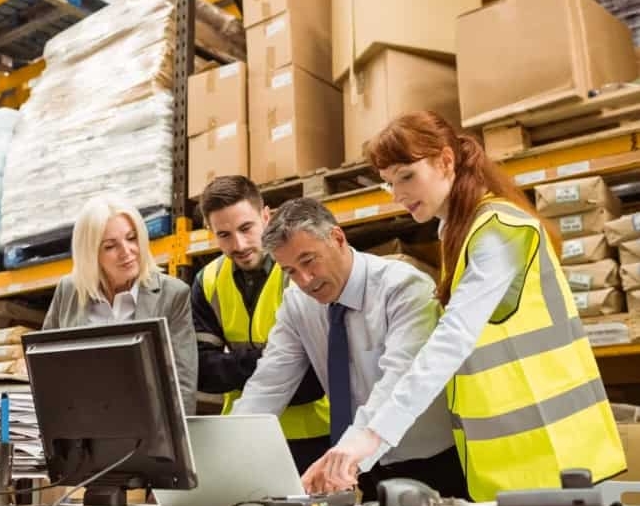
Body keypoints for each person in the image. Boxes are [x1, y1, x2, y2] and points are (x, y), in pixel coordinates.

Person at [317, 110, 625, 501]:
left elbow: (452, 341)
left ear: (446, 161)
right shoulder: (459, 233)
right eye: (389, 183)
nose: (398, 194)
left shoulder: (498, 232)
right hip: (512, 460)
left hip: (556, 455)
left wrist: (372, 438)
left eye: (407, 176)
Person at [231, 197, 468, 501]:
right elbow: (269, 382)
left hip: (427, 459)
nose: (304, 281)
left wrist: (347, 454)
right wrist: (230, 452)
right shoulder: (298, 303)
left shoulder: (404, 288)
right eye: (290, 271)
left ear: (338, 238)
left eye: (308, 261)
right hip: (358, 464)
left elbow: (398, 383)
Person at [191, 176, 331, 473]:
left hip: (314, 435)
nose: (238, 244)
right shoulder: (208, 282)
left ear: (266, 216)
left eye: (246, 228)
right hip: (246, 433)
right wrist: (279, 362)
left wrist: (232, 367)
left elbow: (312, 379)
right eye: (224, 235)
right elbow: (202, 372)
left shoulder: (299, 272)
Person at [42, 195, 198, 415]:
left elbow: (182, 385)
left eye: (131, 238)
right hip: (82, 428)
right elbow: (46, 369)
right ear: (91, 254)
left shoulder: (173, 295)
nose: (127, 252)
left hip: (148, 429)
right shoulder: (68, 290)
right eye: (110, 246)